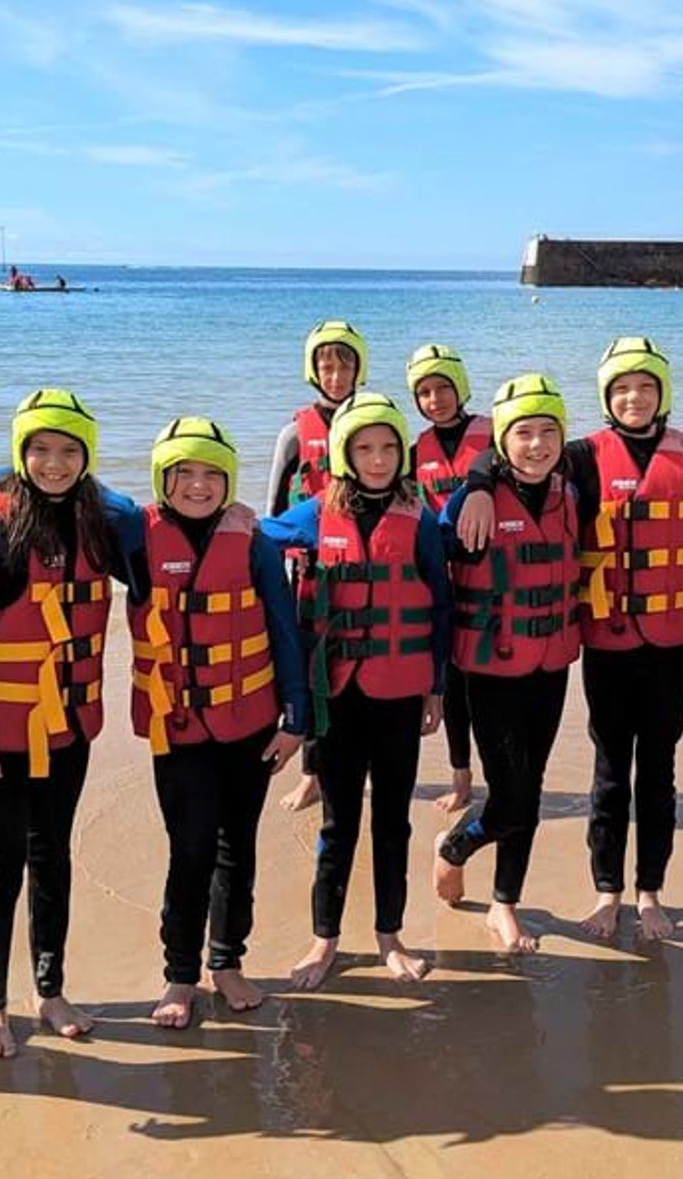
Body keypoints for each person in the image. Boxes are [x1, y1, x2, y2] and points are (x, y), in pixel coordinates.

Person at [457, 337, 683, 940]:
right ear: (607, 397)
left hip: (670, 648)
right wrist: (475, 485)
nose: (634, 398)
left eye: (646, 387)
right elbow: (502, 459)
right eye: (622, 388)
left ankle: (650, 892)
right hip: (605, 644)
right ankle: (607, 891)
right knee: (610, 773)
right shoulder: (581, 455)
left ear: (663, 394)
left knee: (659, 772)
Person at [0, 389, 141, 1058]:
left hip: (67, 731)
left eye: (69, 450)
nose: (53, 464)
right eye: (39, 450)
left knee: (53, 858)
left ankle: (49, 990)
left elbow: (140, 515)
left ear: (87, 457)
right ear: (18, 455)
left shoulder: (98, 524)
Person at [260, 392, 451, 990]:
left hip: (399, 695)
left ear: (403, 452)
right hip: (338, 697)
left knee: (393, 821)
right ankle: (325, 940)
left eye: (389, 446)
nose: (377, 458)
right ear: (344, 452)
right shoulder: (316, 514)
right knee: (340, 825)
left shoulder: (418, 517)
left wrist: (437, 688)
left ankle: (390, 936)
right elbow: (256, 537)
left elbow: (441, 605)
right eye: (364, 447)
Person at [129, 419, 309, 1027]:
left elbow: (285, 630)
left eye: (213, 474)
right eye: (185, 473)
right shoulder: (136, 537)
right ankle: (180, 975)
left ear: (229, 481)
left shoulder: (254, 542)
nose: (200, 486)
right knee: (191, 850)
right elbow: (70, 490)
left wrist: (296, 717)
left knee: (238, 850)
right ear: (162, 478)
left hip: (251, 723)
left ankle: (226, 962)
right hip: (177, 728)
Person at [434, 375, 580, 953]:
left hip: (551, 662)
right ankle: (456, 846)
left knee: (532, 791)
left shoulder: (572, 490)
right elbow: (427, 559)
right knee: (511, 796)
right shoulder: (475, 500)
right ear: (502, 438)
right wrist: (475, 481)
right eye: (523, 433)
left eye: (549, 431)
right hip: (490, 669)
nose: (537, 444)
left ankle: (504, 904)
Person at [265, 320, 368, 813]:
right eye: (326, 364)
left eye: (345, 363)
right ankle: (311, 773)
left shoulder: (373, 425)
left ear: (358, 369)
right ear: (313, 370)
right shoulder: (293, 434)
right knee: (311, 670)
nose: (336, 373)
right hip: (308, 574)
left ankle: (351, 764)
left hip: (358, 573)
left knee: (359, 668)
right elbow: (273, 514)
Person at [407, 343, 493, 814]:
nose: (435, 399)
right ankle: (462, 779)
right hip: (441, 581)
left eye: (442, 387)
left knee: (489, 687)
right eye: (424, 392)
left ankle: (500, 772)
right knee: (453, 685)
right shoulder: (413, 449)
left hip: (489, 581)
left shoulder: (493, 434)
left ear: (460, 388)